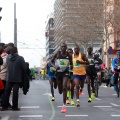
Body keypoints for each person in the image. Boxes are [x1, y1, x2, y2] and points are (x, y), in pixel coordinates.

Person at [1, 47, 26, 111]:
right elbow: (24, 68)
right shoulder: (20, 58)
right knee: (15, 93)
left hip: (9, 77)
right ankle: (14, 107)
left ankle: (4, 106)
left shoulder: (8, 58)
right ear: (17, 51)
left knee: (7, 93)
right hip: (17, 78)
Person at [50, 43, 72, 113]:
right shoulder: (57, 53)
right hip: (58, 73)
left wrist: (71, 66)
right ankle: (58, 86)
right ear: (60, 47)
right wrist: (54, 66)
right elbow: (51, 61)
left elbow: (71, 63)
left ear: (66, 47)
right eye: (62, 46)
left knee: (64, 87)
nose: (63, 48)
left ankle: (64, 106)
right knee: (60, 91)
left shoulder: (69, 55)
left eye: (64, 47)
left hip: (65, 72)